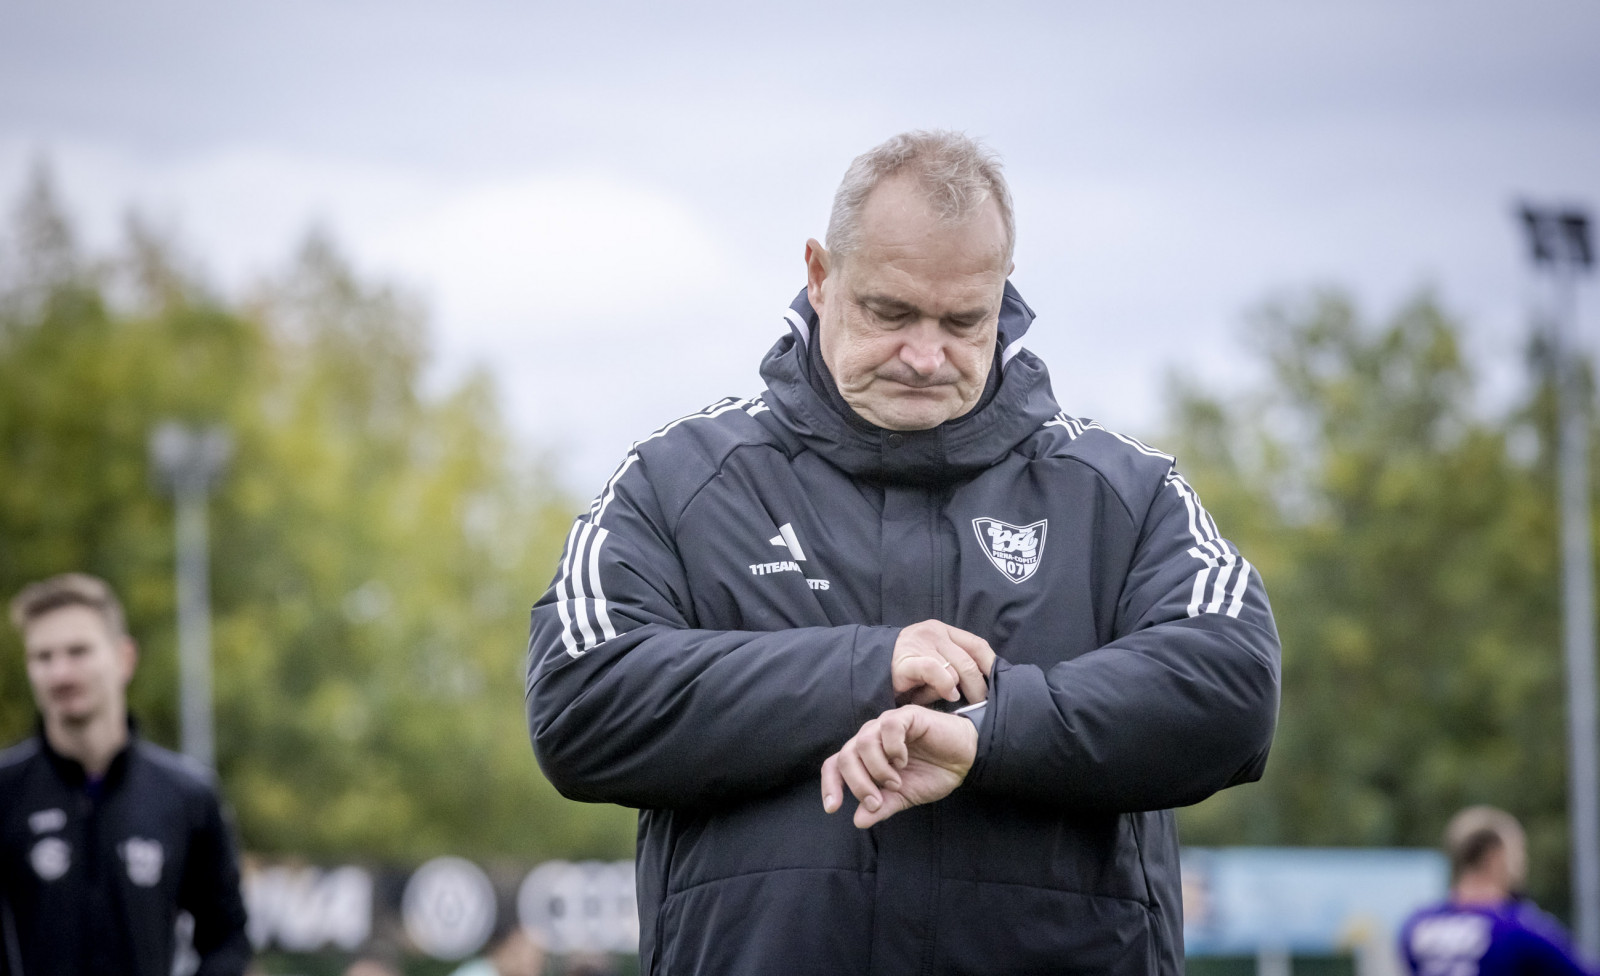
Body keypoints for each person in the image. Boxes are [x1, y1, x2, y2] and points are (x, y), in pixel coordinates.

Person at [525, 130, 1281, 975]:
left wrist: (992, 733)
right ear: (819, 275)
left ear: (1005, 296)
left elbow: (1233, 684)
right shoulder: (678, 482)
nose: (926, 357)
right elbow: (577, 699)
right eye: (890, 314)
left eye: (965, 322)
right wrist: (868, 666)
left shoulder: (1124, 494)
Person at [1, 572, 251, 975]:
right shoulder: (5, 791)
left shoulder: (187, 795)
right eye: (43, 657)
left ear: (124, 658)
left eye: (78, 652)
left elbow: (226, 937)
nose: (60, 673)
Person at [1400, 806, 1595, 976]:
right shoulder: (1518, 929)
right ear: (1494, 856)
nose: (1523, 862)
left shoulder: (1417, 925)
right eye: (1519, 852)